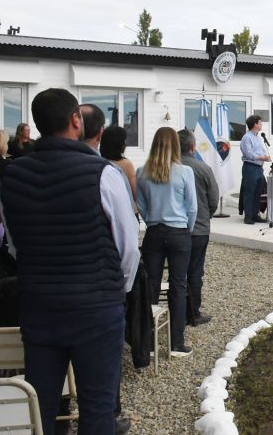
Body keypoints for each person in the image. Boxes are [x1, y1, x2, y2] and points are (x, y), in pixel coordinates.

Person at [0, 88, 139, 433]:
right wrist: (115, 288)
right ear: (76, 120)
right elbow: (128, 246)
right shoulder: (104, 173)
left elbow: (17, 245)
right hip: (97, 308)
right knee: (97, 407)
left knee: (41, 406)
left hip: (40, 305)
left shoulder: (12, 176)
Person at [137, 127, 197, 356]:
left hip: (154, 231)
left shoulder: (143, 172)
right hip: (179, 231)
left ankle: (148, 344)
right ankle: (176, 343)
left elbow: (141, 205)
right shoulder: (184, 172)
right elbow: (192, 207)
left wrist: (151, 220)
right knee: (178, 285)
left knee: (150, 286)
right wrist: (186, 229)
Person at [177, 129, 219, 326]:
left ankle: (175, 311)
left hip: (175, 227)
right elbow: (213, 199)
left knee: (177, 272)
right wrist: (206, 216)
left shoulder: (167, 167)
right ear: (193, 147)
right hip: (199, 228)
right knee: (195, 271)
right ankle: (192, 313)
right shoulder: (203, 168)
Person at [100, 125, 138, 212]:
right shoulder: (126, 164)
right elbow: (135, 193)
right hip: (128, 211)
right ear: (119, 144)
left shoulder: (99, 162)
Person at [240, 115, 270, 224]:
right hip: (250, 167)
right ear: (255, 124)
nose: (261, 125)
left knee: (258, 192)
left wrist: (266, 157)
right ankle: (248, 216)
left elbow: (262, 150)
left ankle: (255, 214)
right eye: (260, 123)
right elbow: (248, 154)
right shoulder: (246, 137)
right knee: (249, 192)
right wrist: (262, 157)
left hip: (259, 167)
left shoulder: (259, 137)